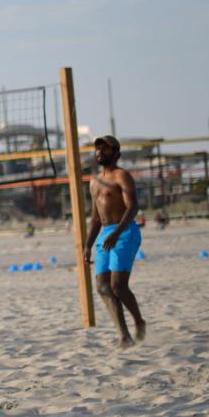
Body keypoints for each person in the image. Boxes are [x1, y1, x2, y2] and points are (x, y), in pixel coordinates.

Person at [84, 136, 146, 349]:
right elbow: (95, 218)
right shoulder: (94, 181)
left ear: (116, 153)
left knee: (118, 287)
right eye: (97, 147)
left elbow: (133, 208)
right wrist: (87, 245)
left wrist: (116, 233)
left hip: (125, 230)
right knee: (102, 287)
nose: (100, 151)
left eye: (105, 147)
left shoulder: (122, 176)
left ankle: (138, 320)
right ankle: (124, 335)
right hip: (105, 234)